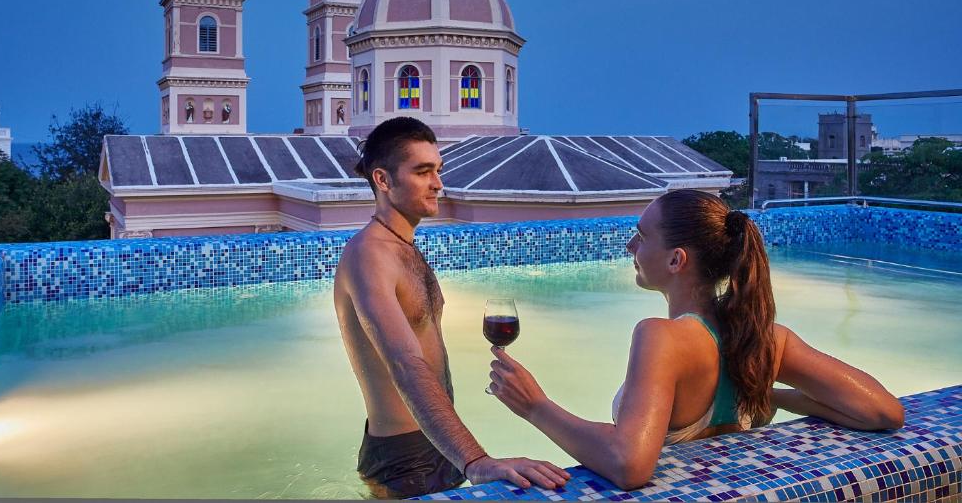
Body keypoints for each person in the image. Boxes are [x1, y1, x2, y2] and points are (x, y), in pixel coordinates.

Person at [487, 189, 904, 491]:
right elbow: (884, 411)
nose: (631, 245)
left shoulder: (661, 337)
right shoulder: (767, 341)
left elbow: (629, 463)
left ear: (676, 259)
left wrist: (536, 407)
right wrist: (771, 394)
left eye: (642, 236)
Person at [334, 117, 570, 499]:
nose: (438, 183)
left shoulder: (405, 248)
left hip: (439, 441)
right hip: (403, 459)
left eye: (438, 170)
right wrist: (476, 461)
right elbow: (404, 363)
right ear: (383, 180)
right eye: (423, 171)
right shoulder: (368, 255)